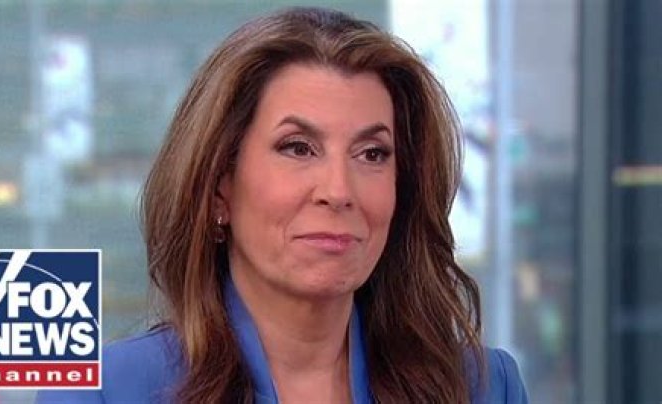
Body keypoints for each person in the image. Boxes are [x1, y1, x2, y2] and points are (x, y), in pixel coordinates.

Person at [37, 6, 528, 404]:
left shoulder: (483, 388)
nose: (339, 190)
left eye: (372, 154)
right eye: (298, 148)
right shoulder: (107, 391)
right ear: (220, 187)